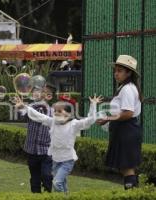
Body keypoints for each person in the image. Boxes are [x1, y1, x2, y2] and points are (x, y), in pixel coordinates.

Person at [15, 94, 102, 193]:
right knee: (62, 183)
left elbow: (89, 121)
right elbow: (38, 116)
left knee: (56, 183)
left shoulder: (74, 124)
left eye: (59, 111)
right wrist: (24, 107)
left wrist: (93, 105)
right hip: (55, 160)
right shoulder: (52, 122)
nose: (56, 113)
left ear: (68, 114)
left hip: (67, 160)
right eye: (55, 111)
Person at [96, 55, 142, 190]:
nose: (116, 74)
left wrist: (107, 119)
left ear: (129, 73)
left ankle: (131, 193)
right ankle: (135, 192)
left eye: (120, 71)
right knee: (125, 167)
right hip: (125, 129)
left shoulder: (127, 89)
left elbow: (128, 113)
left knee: (127, 167)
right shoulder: (125, 87)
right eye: (115, 70)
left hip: (126, 130)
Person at [18, 85, 55, 193]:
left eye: (42, 92)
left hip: (46, 151)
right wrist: (20, 107)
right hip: (32, 150)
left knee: (47, 176)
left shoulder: (53, 112)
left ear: (49, 96)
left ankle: (48, 194)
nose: (38, 93)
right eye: (37, 91)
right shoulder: (30, 108)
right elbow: (21, 116)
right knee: (35, 180)